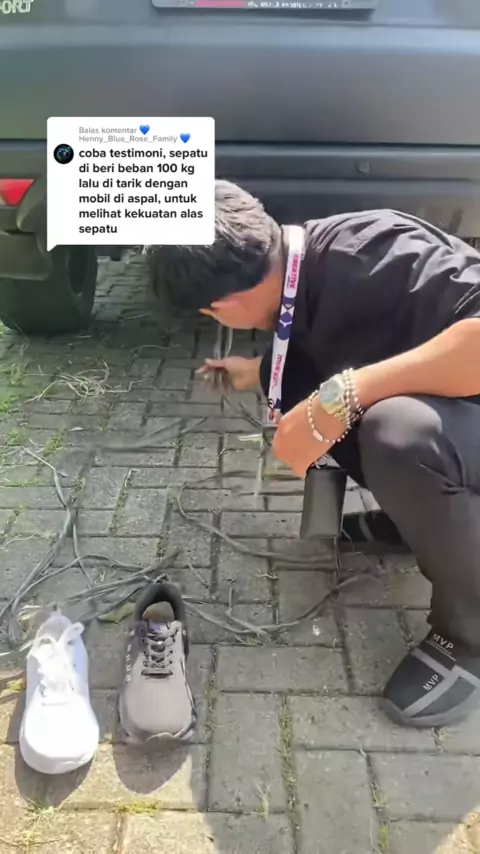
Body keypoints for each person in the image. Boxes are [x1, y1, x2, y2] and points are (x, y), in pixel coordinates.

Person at [148, 180, 480, 729]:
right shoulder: (298, 273)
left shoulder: (375, 255)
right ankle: (421, 523)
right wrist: (259, 374)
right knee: (318, 397)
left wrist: (344, 393)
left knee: (396, 433)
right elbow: (328, 359)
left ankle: (468, 636)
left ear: (219, 307)